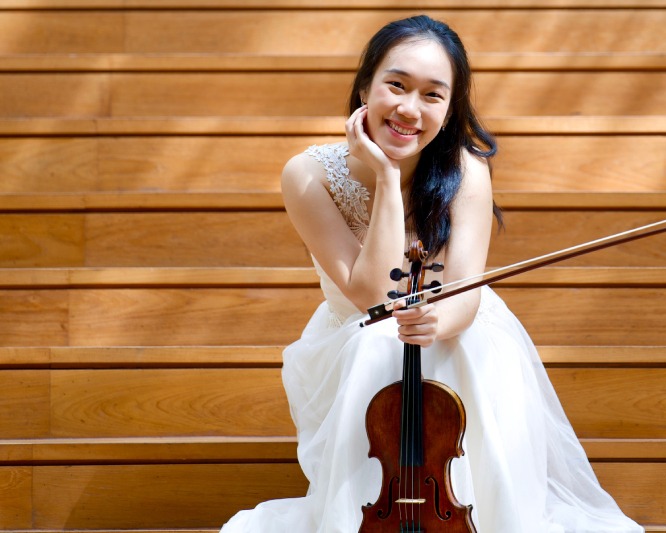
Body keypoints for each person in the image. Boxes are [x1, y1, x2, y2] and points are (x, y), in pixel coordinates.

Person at [220, 15, 643, 533]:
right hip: (349, 340)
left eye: (432, 95)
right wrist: (383, 172)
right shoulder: (306, 175)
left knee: (451, 343)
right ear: (364, 87)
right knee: (376, 344)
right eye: (395, 85)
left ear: (450, 108)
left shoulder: (465, 168)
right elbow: (372, 296)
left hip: (456, 327)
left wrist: (437, 324)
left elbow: (466, 292)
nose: (409, 109)